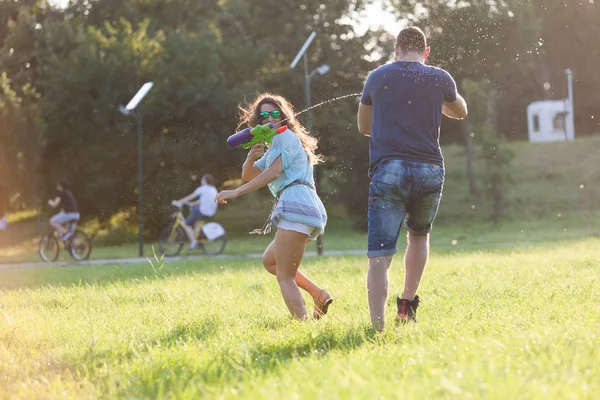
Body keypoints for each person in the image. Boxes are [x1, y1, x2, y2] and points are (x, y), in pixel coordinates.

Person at [357, 26, 468, 330]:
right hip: (429, 169)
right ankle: (407, 306)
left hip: (388, 169)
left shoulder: (377, 77)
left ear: (395, 50)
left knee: (380, 253)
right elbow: (461, 111)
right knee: (419, 235)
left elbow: (364, 128)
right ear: (426, 51)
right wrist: (434, 102)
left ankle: (377, 327)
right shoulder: (440, 77)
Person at [215, 93, 332, 320]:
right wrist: (249, 158)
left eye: (275, 114)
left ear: (284, 117)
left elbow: (273, 173)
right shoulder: (275, 144)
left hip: (295, 204)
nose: (270, 118)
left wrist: (235, 192)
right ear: (257, 122)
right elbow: (249, 175)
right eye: (264, 115)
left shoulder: (283, 137)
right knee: (271, 261)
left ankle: (303, 328)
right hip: (305, 207)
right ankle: (318, 294)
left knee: (285, 276)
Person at [174, 174, 219, 249]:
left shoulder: (203, 188)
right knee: (194, 212)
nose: (201, 181)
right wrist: (193, 203)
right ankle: (197, 235)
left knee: (187, 224)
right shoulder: (213, 189)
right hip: (210, 212)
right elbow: (205, 200)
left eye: (202, 179)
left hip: (203, 211)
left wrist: (179, 202)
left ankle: (194, 243)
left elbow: (190, 197)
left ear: (205, 181)